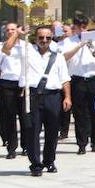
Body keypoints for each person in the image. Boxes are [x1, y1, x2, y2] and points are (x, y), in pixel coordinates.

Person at [22, 24, 71, 177]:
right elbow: (6, 49)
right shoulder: (27, 52)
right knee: (32, 131)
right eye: (41, 37)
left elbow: (65, 78)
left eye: (48, 38)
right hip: (33, 95)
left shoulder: (58, 56)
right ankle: (36, 165)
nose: (44, 40)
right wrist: (18, 33)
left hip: (53, 96)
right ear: (35, 38)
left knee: (52, 131)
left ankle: (49, 161)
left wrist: (67, 97)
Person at [62, 15, 95, 154]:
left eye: (85, 27)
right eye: (79, 27)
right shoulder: (69, 41)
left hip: (93, 78)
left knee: (94, 112)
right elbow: (65, 57)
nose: (82, 29)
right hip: (77, 80)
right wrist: (79, 45)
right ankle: (82, 143)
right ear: (75, 27)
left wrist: (94, 47)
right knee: (79, 113)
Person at [0, 22, 30, 158]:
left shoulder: (26, 46)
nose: (10, 32)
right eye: (8, 30)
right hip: (7, 83)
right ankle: (11, 147)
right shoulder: (1, 47)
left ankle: (26, 146)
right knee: (9, 116)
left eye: (13, 29)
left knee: (25, 117)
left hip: (23, 84)